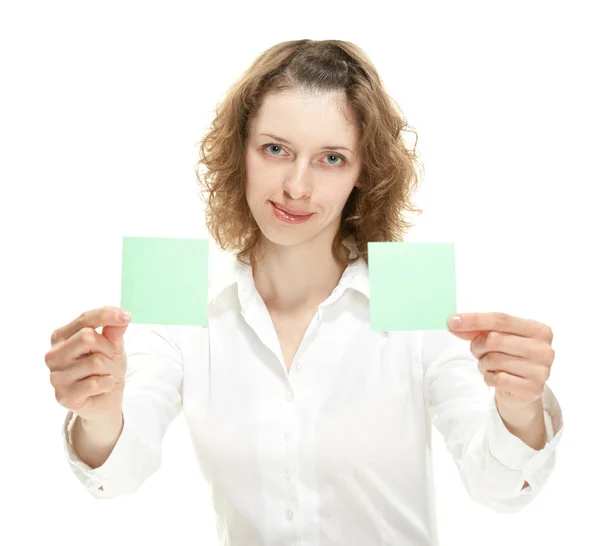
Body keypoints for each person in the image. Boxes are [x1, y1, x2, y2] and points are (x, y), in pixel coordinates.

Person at [45, 39, 564, 545]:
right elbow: (118, 475)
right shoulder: (185, 306)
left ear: (365, 172)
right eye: (276, 149)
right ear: (239, 152)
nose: (297, 186)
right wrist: (98, 409)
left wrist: (519, 408)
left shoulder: (413, 303)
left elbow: (499, 492)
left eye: (332, 158)